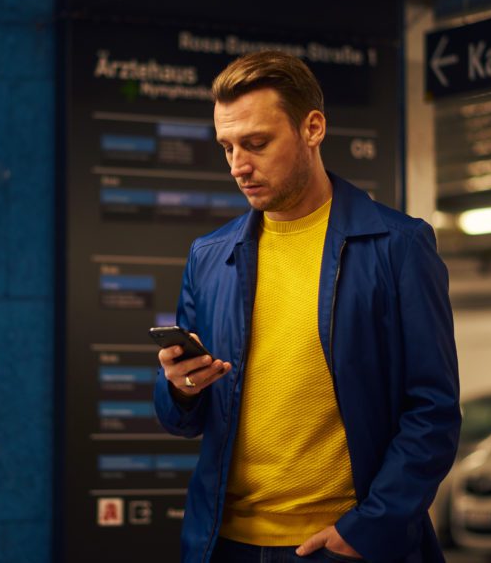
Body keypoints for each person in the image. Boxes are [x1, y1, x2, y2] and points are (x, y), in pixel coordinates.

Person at [154, 51, 460, 563]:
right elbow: (181, 419)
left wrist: (370, 528)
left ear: (313, 128)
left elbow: (433, 410)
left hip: (340, 545)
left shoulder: (398, 246)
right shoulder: (209, 256)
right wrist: (180, 388)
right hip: (223, 544)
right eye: (227, 147)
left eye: (256, 144)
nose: (238, 166)